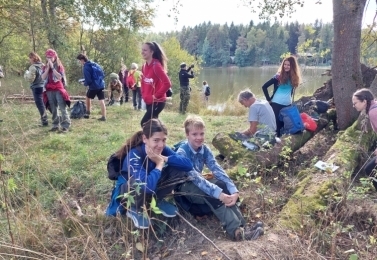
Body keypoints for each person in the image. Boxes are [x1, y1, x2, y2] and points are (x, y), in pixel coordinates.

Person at [175, 115, 264, 241]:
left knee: (222, 184)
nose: (199, 138)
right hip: (184, 189)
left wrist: (233, 191)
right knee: (214, 192)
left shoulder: (204, 149)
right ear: (187, 134)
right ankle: (236, 231)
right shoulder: (182, 153)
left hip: (197, 183)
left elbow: (217, 169)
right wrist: (220, 195)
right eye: (195, 134)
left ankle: (244, 226)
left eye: (201, 133)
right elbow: (196, 179)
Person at [106, 119, 193, 229]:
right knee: (137, 182)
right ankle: (135, 209)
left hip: (148, 186)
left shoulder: (162, 149)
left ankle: (156, 200)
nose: (161, 145)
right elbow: (146, 186)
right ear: (145, 139)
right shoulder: (134, 155)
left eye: (164, 140)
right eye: (156, 140)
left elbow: (188, 166)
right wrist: (159, 164)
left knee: (178, 169)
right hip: (129, 192)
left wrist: (164, 158)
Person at [262, 56, 302, 137]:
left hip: (287, 104)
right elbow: (264, 86)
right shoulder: (278, 76)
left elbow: (290, 91)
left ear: (293, 66)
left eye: (288, 65)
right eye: (285, 64)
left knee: (285, 124)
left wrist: (290, 102)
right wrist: (269, 100)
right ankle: (275, 143)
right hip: (276, 103)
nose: (286, 66)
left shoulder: (294, 77)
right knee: (277, 125)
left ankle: (282, 142)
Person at [140, 41, 172, 127]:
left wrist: (155, 96)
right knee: (153, 125)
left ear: (152, 52)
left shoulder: (156, 66)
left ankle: (156, 138)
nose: (142, 52)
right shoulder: (144, 66)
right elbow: (143, 82)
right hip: (148, 101)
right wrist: (143, 94)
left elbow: (167, 83)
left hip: (158, 101)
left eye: (145, 50)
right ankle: (158, 139)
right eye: (142, 50)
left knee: (144, 123)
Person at [352, 88, 377, 191]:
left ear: (364, 101)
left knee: (369, 170)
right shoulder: (374, 107)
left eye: (355, 103)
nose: (354, 106)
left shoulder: (373, 112)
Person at [41, 49, 71, 132]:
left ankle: (65, 125)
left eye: (51, 57)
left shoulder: (59, 66)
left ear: (54, 57)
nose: (49, 59)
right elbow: (43, 77)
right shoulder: (44, 67)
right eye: (47, 57)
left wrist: (52, 68)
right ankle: (55, 125)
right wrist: (47, 68)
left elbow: (59, 77)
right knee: (53, 108)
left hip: (58, 88)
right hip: (49, 89)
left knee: (62, 107)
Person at [76, 54, 107, 121]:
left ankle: (87, 112)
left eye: (79, 61)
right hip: (101, 84)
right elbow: (102, 73)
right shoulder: (93, 63)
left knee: (87, 96)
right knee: (101, 99)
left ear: (82, 60)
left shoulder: (86, 67)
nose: (79, 63)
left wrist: (84, 83)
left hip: (94, 86)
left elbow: (89, 80)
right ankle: (104, 116)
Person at [26, 52, 48, 126]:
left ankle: (44, 121)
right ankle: (57, 117)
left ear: (33, 58)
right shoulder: (43, 65)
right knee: (47, 102)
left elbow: (30, 79)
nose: (29, 60)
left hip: (36, 87)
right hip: (44, 86)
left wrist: (26, 74)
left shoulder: (33, 67)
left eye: (30, 58)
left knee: (40, 104)